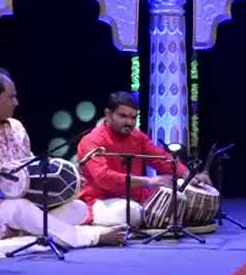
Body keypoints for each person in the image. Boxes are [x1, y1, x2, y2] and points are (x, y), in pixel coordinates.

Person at [0, 68, 126, 248]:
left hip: (27, 202)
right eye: (11, 97)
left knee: (78, 208)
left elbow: (31, 166)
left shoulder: (17, 128)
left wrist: (67, 181)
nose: (16, 102)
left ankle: (28, 233)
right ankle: (88, 237)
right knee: (19, 207)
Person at [75, 91, 210, 227]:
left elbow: (161, 159)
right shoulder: (92, 140)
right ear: (108, 114)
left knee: (181, 188)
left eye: (133, 117)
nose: (129, 122)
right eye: (123, 116)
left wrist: (187, 174)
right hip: (102, 200)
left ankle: (149, 216)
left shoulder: (137, 137)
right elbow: (103, 178)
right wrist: (149, 181)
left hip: (137, 198)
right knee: (128, 212)